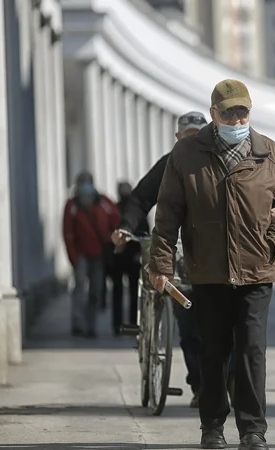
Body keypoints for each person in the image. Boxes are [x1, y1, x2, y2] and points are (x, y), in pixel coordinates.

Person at [148, 80, 275, 450]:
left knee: (251, 350)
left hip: (255, 271)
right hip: (208, 270)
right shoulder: (186, 154)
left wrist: (274, 243)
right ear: (213, 113)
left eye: (241, 111)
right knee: (212, 350)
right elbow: (168, 213)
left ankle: (252, 430)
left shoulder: (271, 154)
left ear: (250, 112)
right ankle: (212, 427)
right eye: (228, 111)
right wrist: (161, 264)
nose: (236, 118)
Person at [112, 111, 210, 408]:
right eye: (187, 136)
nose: (193, 142)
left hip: (214, 254)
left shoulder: (219, 163)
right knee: (188, 324)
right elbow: (141, 198)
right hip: (178, 255)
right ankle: (199, 385)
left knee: (223, 326)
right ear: (178, 138)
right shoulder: (169, 165)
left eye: (198, 136)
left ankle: (224, 382)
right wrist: (126, 227)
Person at [62, 171, 120, 338]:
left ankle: (90, 325)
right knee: (79, 289)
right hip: (80, 255)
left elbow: (116, 219)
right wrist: (72, 256)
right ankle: (78, 323)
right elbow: (67, 233)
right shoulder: (72, 206)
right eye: (83, 182)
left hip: (99, 255)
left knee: (96, 290)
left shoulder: (103, 202)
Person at [109, 181, 144, 336]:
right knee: (119, 291)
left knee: (131, 291)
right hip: (119, 256)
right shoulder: (114, 210)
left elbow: (144, 233)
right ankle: (119, 325)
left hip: (130, 257)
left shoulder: (135, 212)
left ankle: (129, 323)